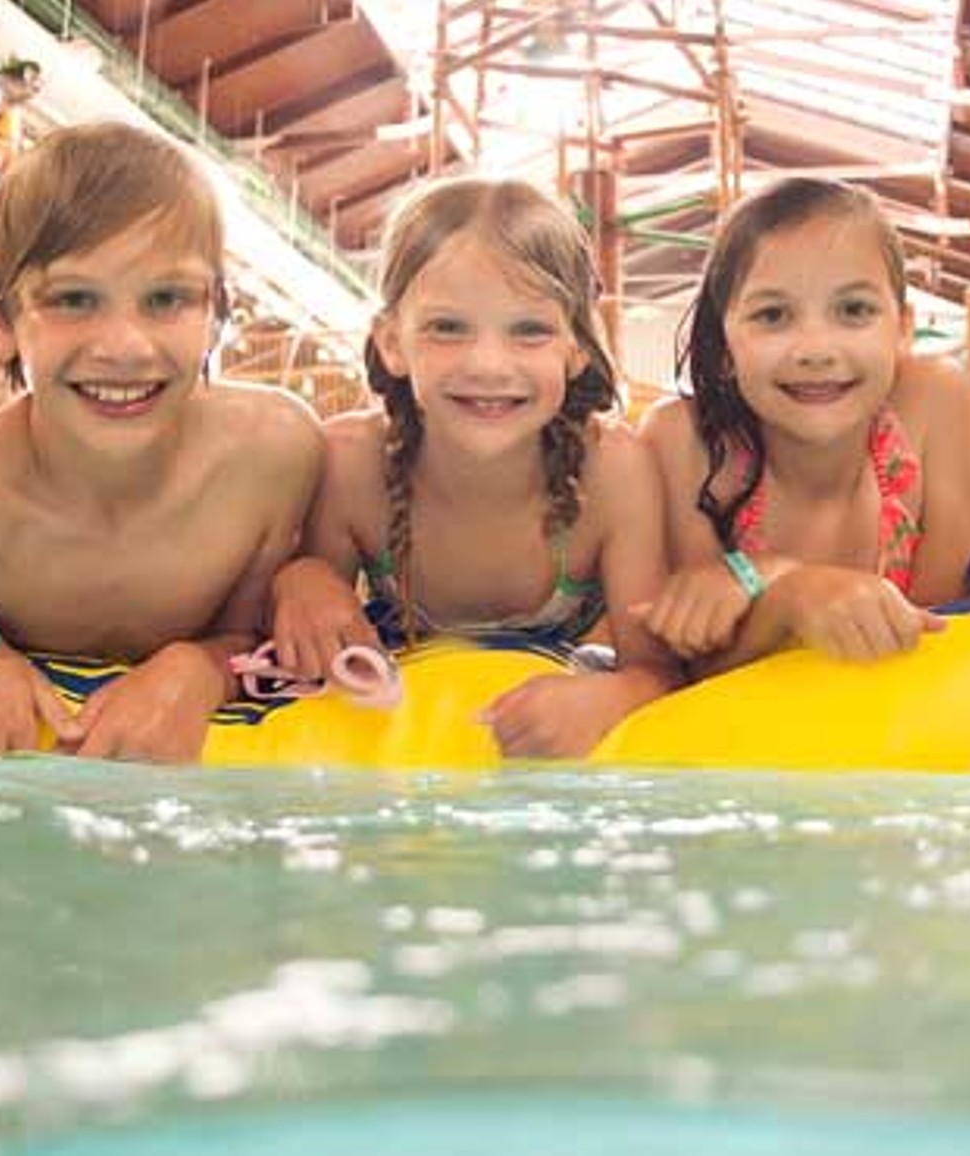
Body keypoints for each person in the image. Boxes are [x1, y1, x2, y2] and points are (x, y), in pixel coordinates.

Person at [0, 123, 322, 761]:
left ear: (215, 313)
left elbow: (245, 634)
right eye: (75, 299)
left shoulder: (270, 458)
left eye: (166, 298)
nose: (125, 347)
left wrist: (197, 669)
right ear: (1, 318)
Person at [264, 177, 680, 759]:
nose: (488, 364)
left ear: (576, 347)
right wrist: (301, 580)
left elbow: (661, 672)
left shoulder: (612, 472)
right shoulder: (351, 465)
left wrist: (610, 697)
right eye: (448, 327)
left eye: (530, 330)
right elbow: (298, 642)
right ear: (392, 342)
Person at [635, 177, 970, 675]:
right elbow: (695, 670)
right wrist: (791, 595)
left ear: (902, 329)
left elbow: (948, 626)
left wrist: (775, 588)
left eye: (854, 310)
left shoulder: (934, 401)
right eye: (773, 315)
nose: (816, 350)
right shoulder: (686, 444)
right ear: (725, 346)